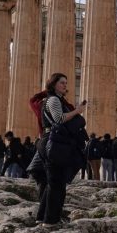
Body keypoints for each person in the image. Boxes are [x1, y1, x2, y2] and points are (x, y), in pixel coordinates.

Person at [36, 73, 88, 224]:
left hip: (53, 142)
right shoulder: (53, 99)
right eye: (61, 83)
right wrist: (77, 111)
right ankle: (51, 221)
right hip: (53, 142)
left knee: (53, 182)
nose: (65, 85)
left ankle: (42, 217)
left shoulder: (57, 100)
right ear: (53, 85)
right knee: (57, 183)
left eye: (66, 82)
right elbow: (58, 119)